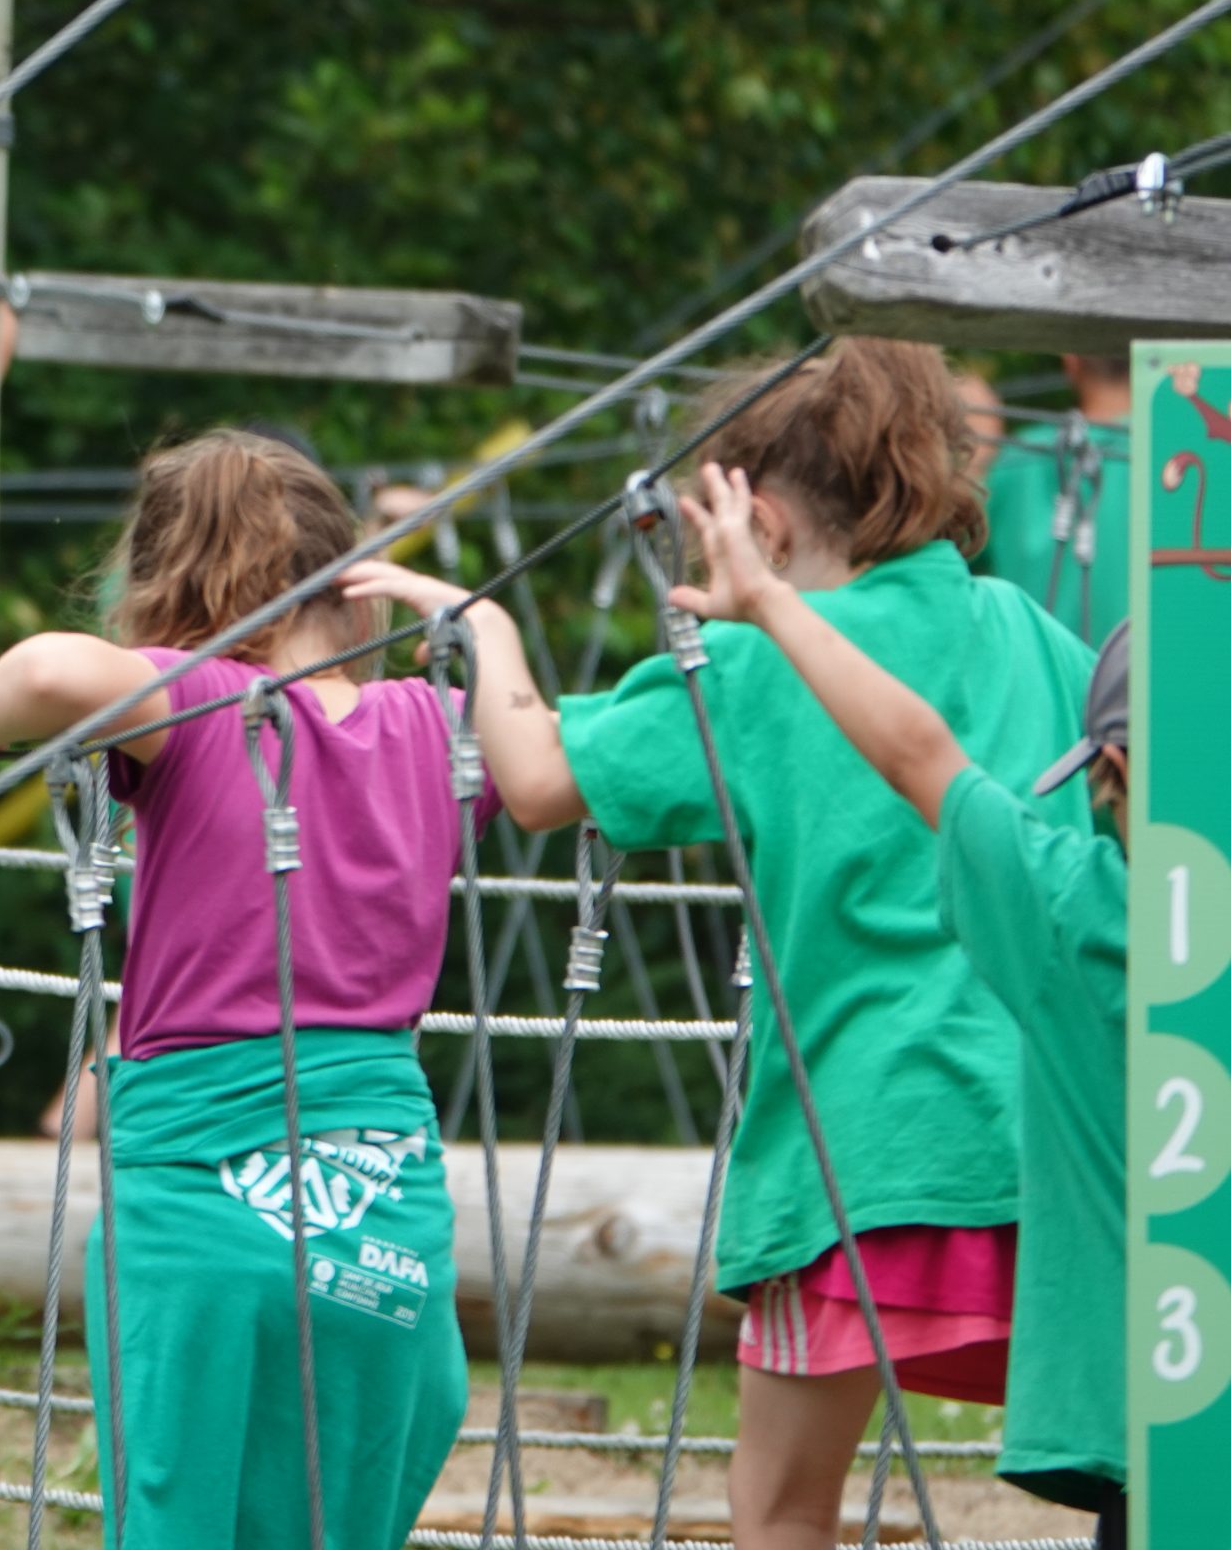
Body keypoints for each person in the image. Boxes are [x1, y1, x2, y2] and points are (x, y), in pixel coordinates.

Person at [345, 339, 1097, 1550]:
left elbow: (532, 777)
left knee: (777, 1511)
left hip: (861, 1157)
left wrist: (480, 627)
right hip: (1060, 1146)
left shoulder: (750, 660)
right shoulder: (1025, 627)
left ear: (761, 514)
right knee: (1144, 1480)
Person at [0, 429, 483, 1550]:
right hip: (385, 1224)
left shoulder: (198, 703)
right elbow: (552, 765)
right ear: (351, 584)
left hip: (204, 1224)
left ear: (170, 591)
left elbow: (38, 673)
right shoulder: (438, 726)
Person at [668, 460, 1129, 1548]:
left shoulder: (1083, 912)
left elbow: (918, 755)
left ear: (1108, 765)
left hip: (1163, 1400)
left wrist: (770, 605)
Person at [972, 353, 1133, 643]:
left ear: (1071, 361)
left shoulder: (1017, 457)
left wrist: (972, 460)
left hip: (1036, 681)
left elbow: (947, 553)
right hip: (1148, 681)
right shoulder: (1180, 454)